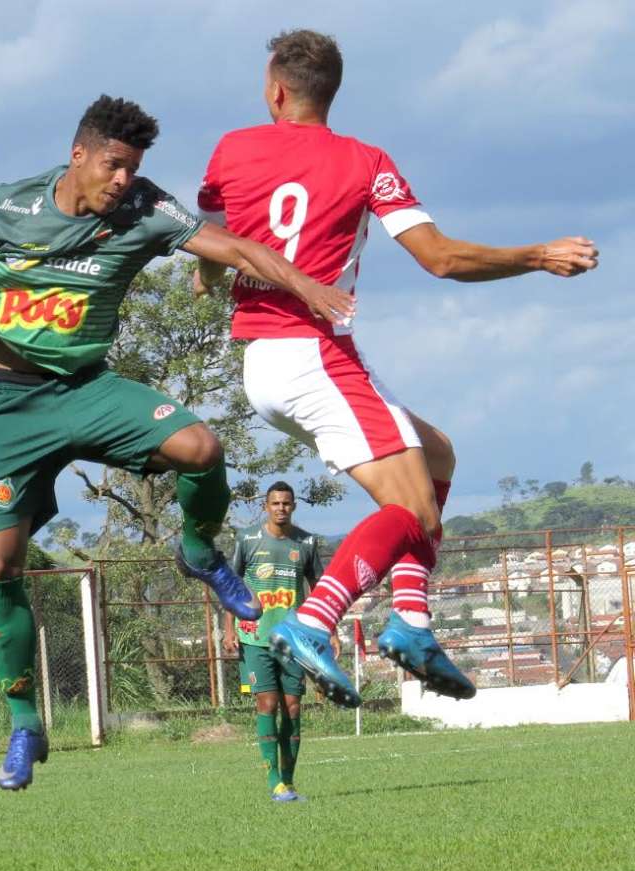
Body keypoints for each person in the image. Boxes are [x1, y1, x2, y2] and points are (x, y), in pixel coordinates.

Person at [0, 94, 354, 791]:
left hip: (89, 390)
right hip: (9, 403)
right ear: (80, 154)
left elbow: (232, 247)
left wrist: (308, 285)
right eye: (115, 165)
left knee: (202, 448)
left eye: (134, 168)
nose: (124, 180)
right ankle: (27, 722)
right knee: (0, 564)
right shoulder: (9, 205)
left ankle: (199, 549)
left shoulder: (146, 209)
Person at [196, 30, 599, 708]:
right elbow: (439, 258)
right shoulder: (364, 161)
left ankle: (412, 620)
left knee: (436, 455)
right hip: (311, 352)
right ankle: (313, 620)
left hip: (265, 359)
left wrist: (216, 272)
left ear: (275, 90)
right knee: (412, 510)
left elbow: (210, 246)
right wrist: (536, 254)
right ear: (332, 93)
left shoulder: (232, 149)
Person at [223, 480, 323, 802]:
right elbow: (231, 586)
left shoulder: (306, 541)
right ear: (265, 506)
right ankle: (273, 782)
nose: (281, 508)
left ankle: (290, 782)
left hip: (293, 639)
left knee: (292, 708)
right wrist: (227, 630)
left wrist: (328, 631)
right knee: (267, 703)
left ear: (294, 506)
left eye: (286, 503)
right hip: (254, 637)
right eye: (275, 503)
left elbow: (320, 590)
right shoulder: (248, 539)